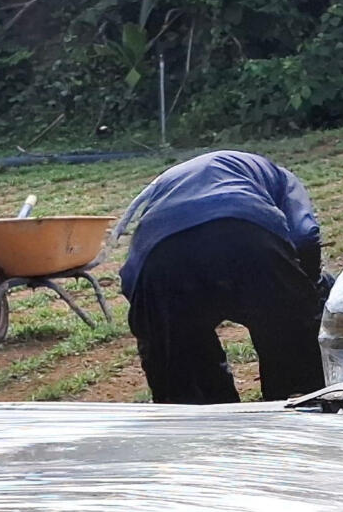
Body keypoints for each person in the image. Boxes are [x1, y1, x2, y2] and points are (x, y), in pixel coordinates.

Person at [113, 150, 327, 405]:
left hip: (162, 257)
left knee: (185, 386)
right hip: (248, 236)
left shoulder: (162, 190)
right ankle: (298, 411)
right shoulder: (282, 177)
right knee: (294, 351)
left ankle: (205, 428)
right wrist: (306, 290)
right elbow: (305, 236)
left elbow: (134, 280)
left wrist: (157, 320)